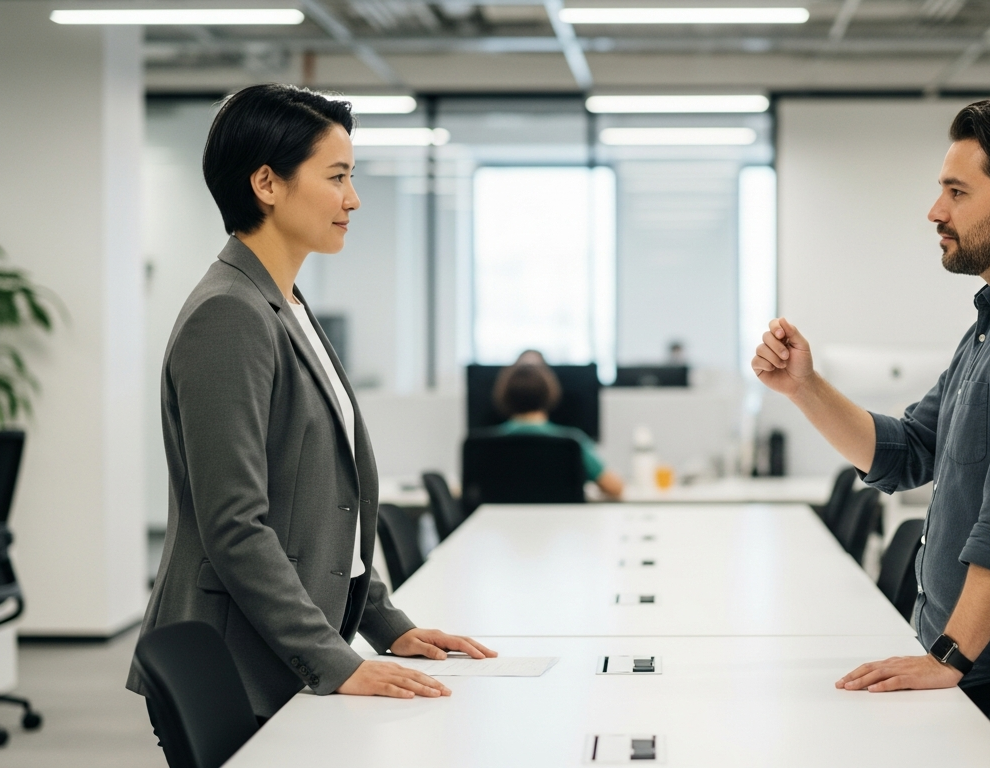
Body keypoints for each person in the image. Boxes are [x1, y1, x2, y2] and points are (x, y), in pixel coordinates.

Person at [751, 100, 990, 764]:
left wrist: (948, 654)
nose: (935, 211)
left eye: (957, 191)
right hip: (976, 657)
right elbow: (906, 451)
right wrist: (804, 386)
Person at [126, 84, 495, 743]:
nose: (352, 199)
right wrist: (337, 661)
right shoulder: (229, 314)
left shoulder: (283, 303)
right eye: (337, 177)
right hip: (232, 666)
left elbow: (328, 508)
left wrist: (388, 625)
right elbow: (236, 525)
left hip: (278, 654)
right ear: (267, 183)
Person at [493, 356, 625, 500]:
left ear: (504, 396)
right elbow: (615, 488)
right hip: (563, 522)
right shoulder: (571, 442)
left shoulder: (484, 445)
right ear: (549, 393)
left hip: (503, 522)